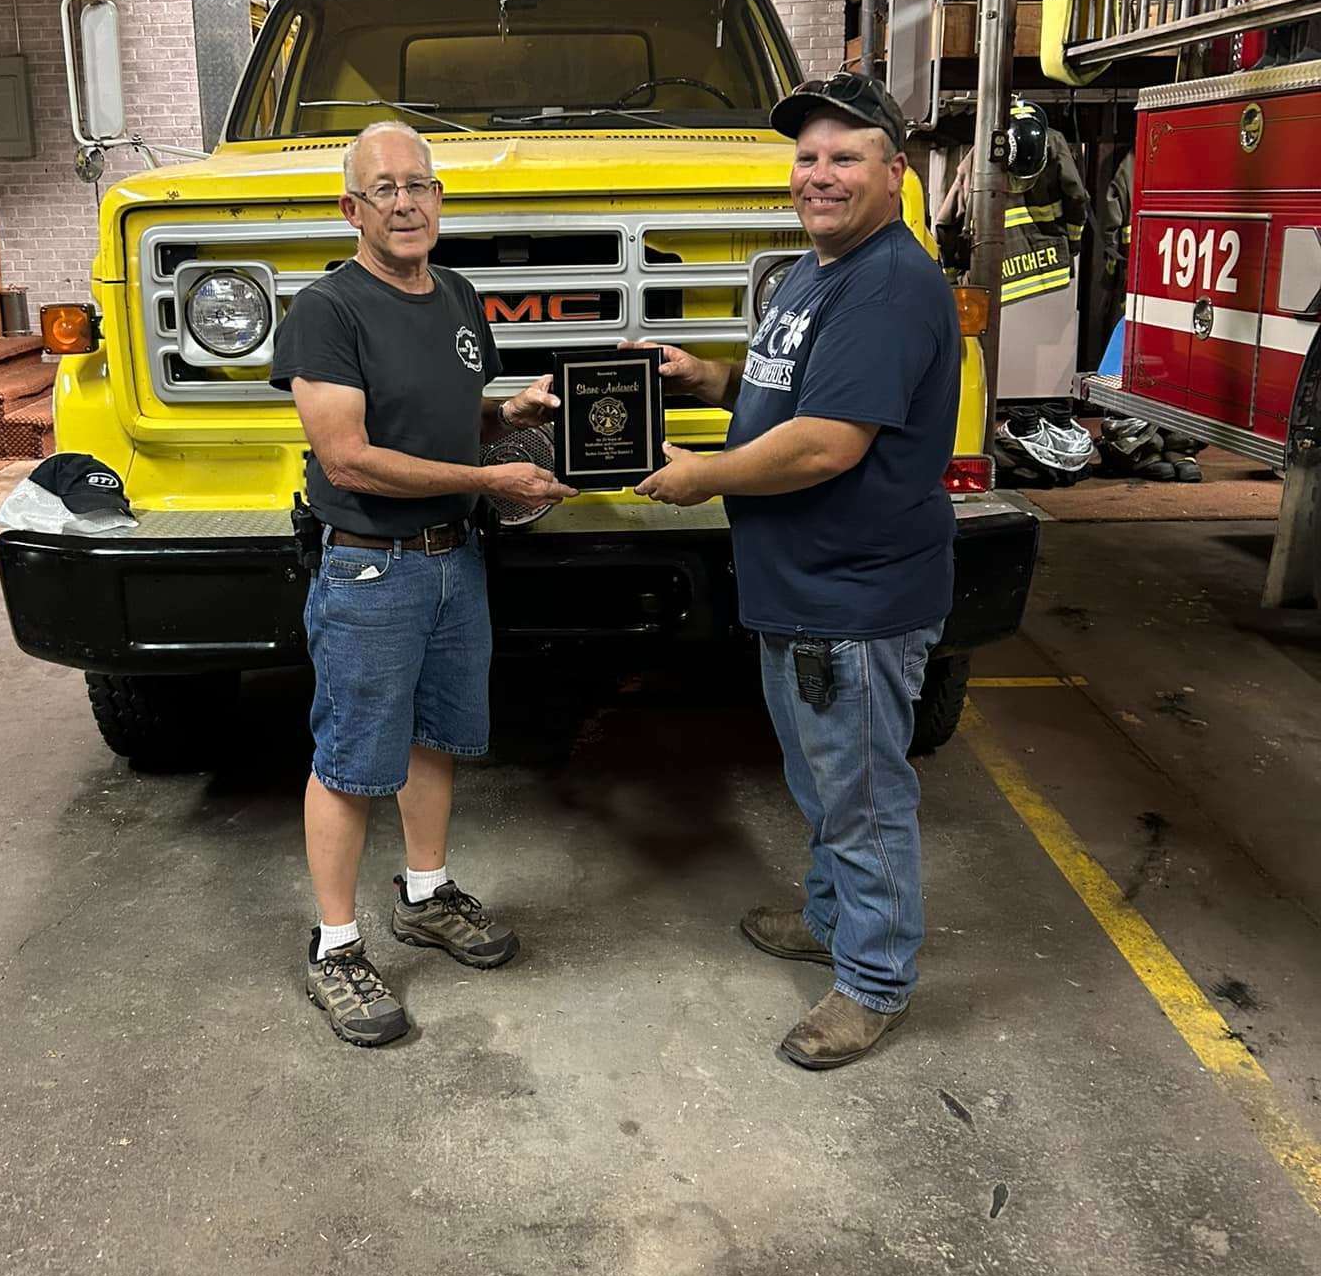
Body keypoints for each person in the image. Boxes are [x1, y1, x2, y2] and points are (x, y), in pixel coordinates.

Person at [635, 72, 959, 1069]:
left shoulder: (891, 282)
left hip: (855, 595)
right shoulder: (820, 272)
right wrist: (714, 377)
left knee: (860, 792)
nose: (820, 174)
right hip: (806, 585)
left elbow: (827, 442)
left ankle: (872, 979)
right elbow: (797, 390)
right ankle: (830, 917)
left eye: (846, 155)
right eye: (809, 156)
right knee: (824, 779)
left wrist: (704, 476)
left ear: (894, 172)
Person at [271, 122, 573, 1047]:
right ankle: (334, 947)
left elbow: (442, 419)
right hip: (372, 565)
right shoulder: (329, 311)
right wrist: (492, 480)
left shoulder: (457, 295)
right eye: (383, 189)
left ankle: (427, 895)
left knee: (436, 739)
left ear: (439, 198)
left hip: (454, 560)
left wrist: (503, 417)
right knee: (353, 761)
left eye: (419, 185)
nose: (405, 203)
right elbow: (352, 459)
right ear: (350, 208)